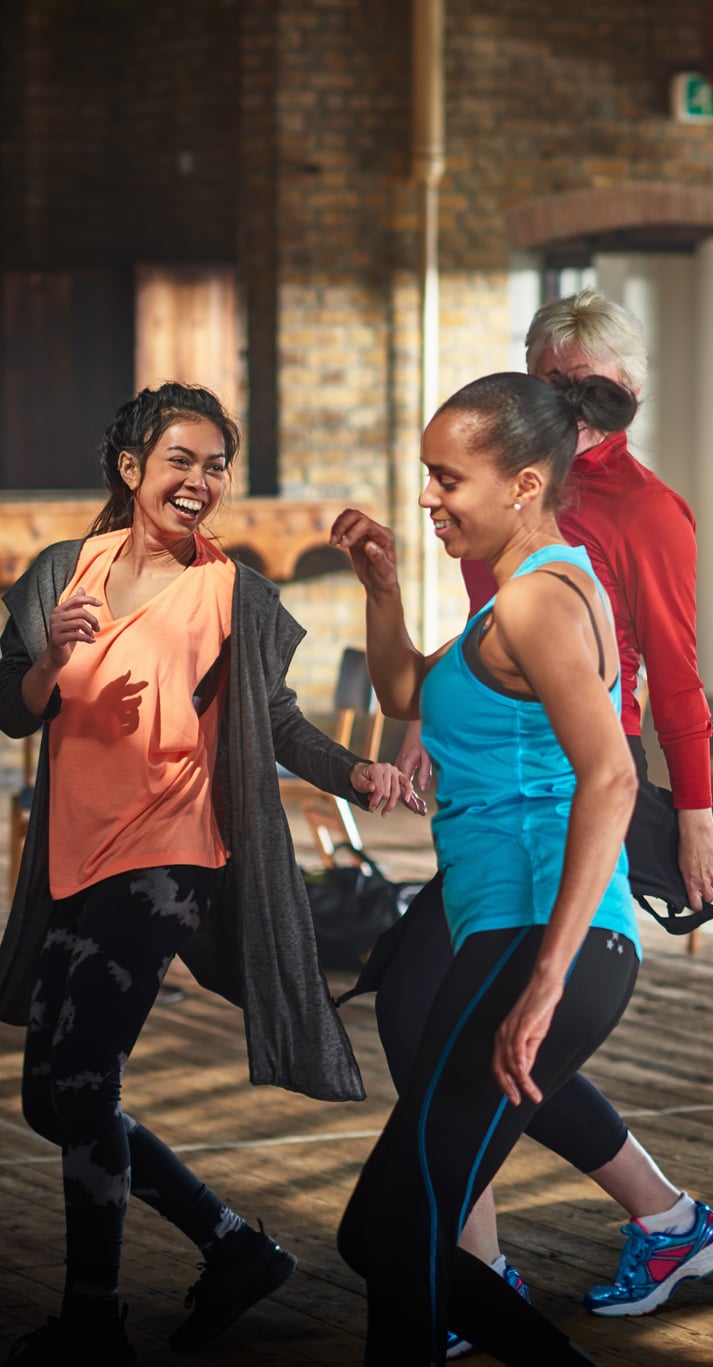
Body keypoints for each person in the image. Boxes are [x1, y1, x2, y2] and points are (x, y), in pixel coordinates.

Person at [0, 384, 417, 1366]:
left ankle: (93, 1320)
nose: (200, 480)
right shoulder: (69, 570)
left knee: (80, 1080)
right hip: (73, 855)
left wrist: (350, 768)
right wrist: (47, 662)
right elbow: (14, 707)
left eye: (215, 463)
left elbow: (273, 720)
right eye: (180, 459)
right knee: (54, 1098)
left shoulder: (235, 594)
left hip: (171, 854)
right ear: (133, 467)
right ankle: (232, 1244)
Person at [365, 292, 713, 1346]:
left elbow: (668, 686)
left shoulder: (640, 512)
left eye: (579, 376)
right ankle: (485, 1256)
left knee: (492, 1041)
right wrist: (435, 718)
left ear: (614, 391)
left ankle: (462, 1264)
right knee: (420, 1019)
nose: (558, 390)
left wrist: (699, 813)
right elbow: (471, 661)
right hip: (500, 802)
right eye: (542, 369)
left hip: (562, 808)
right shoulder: (510, 513)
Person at [332, 370, 645, 1365]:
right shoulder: (520, 594)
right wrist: (381, 586)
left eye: (445, 477)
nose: (426, 496)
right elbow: (402, 689)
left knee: (393, 1226)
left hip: (538, 931)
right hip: (503, 928)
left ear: (520, 484)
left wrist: (545, 977)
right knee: (390, 1229)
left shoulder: (538, 600)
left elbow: (612, 775)